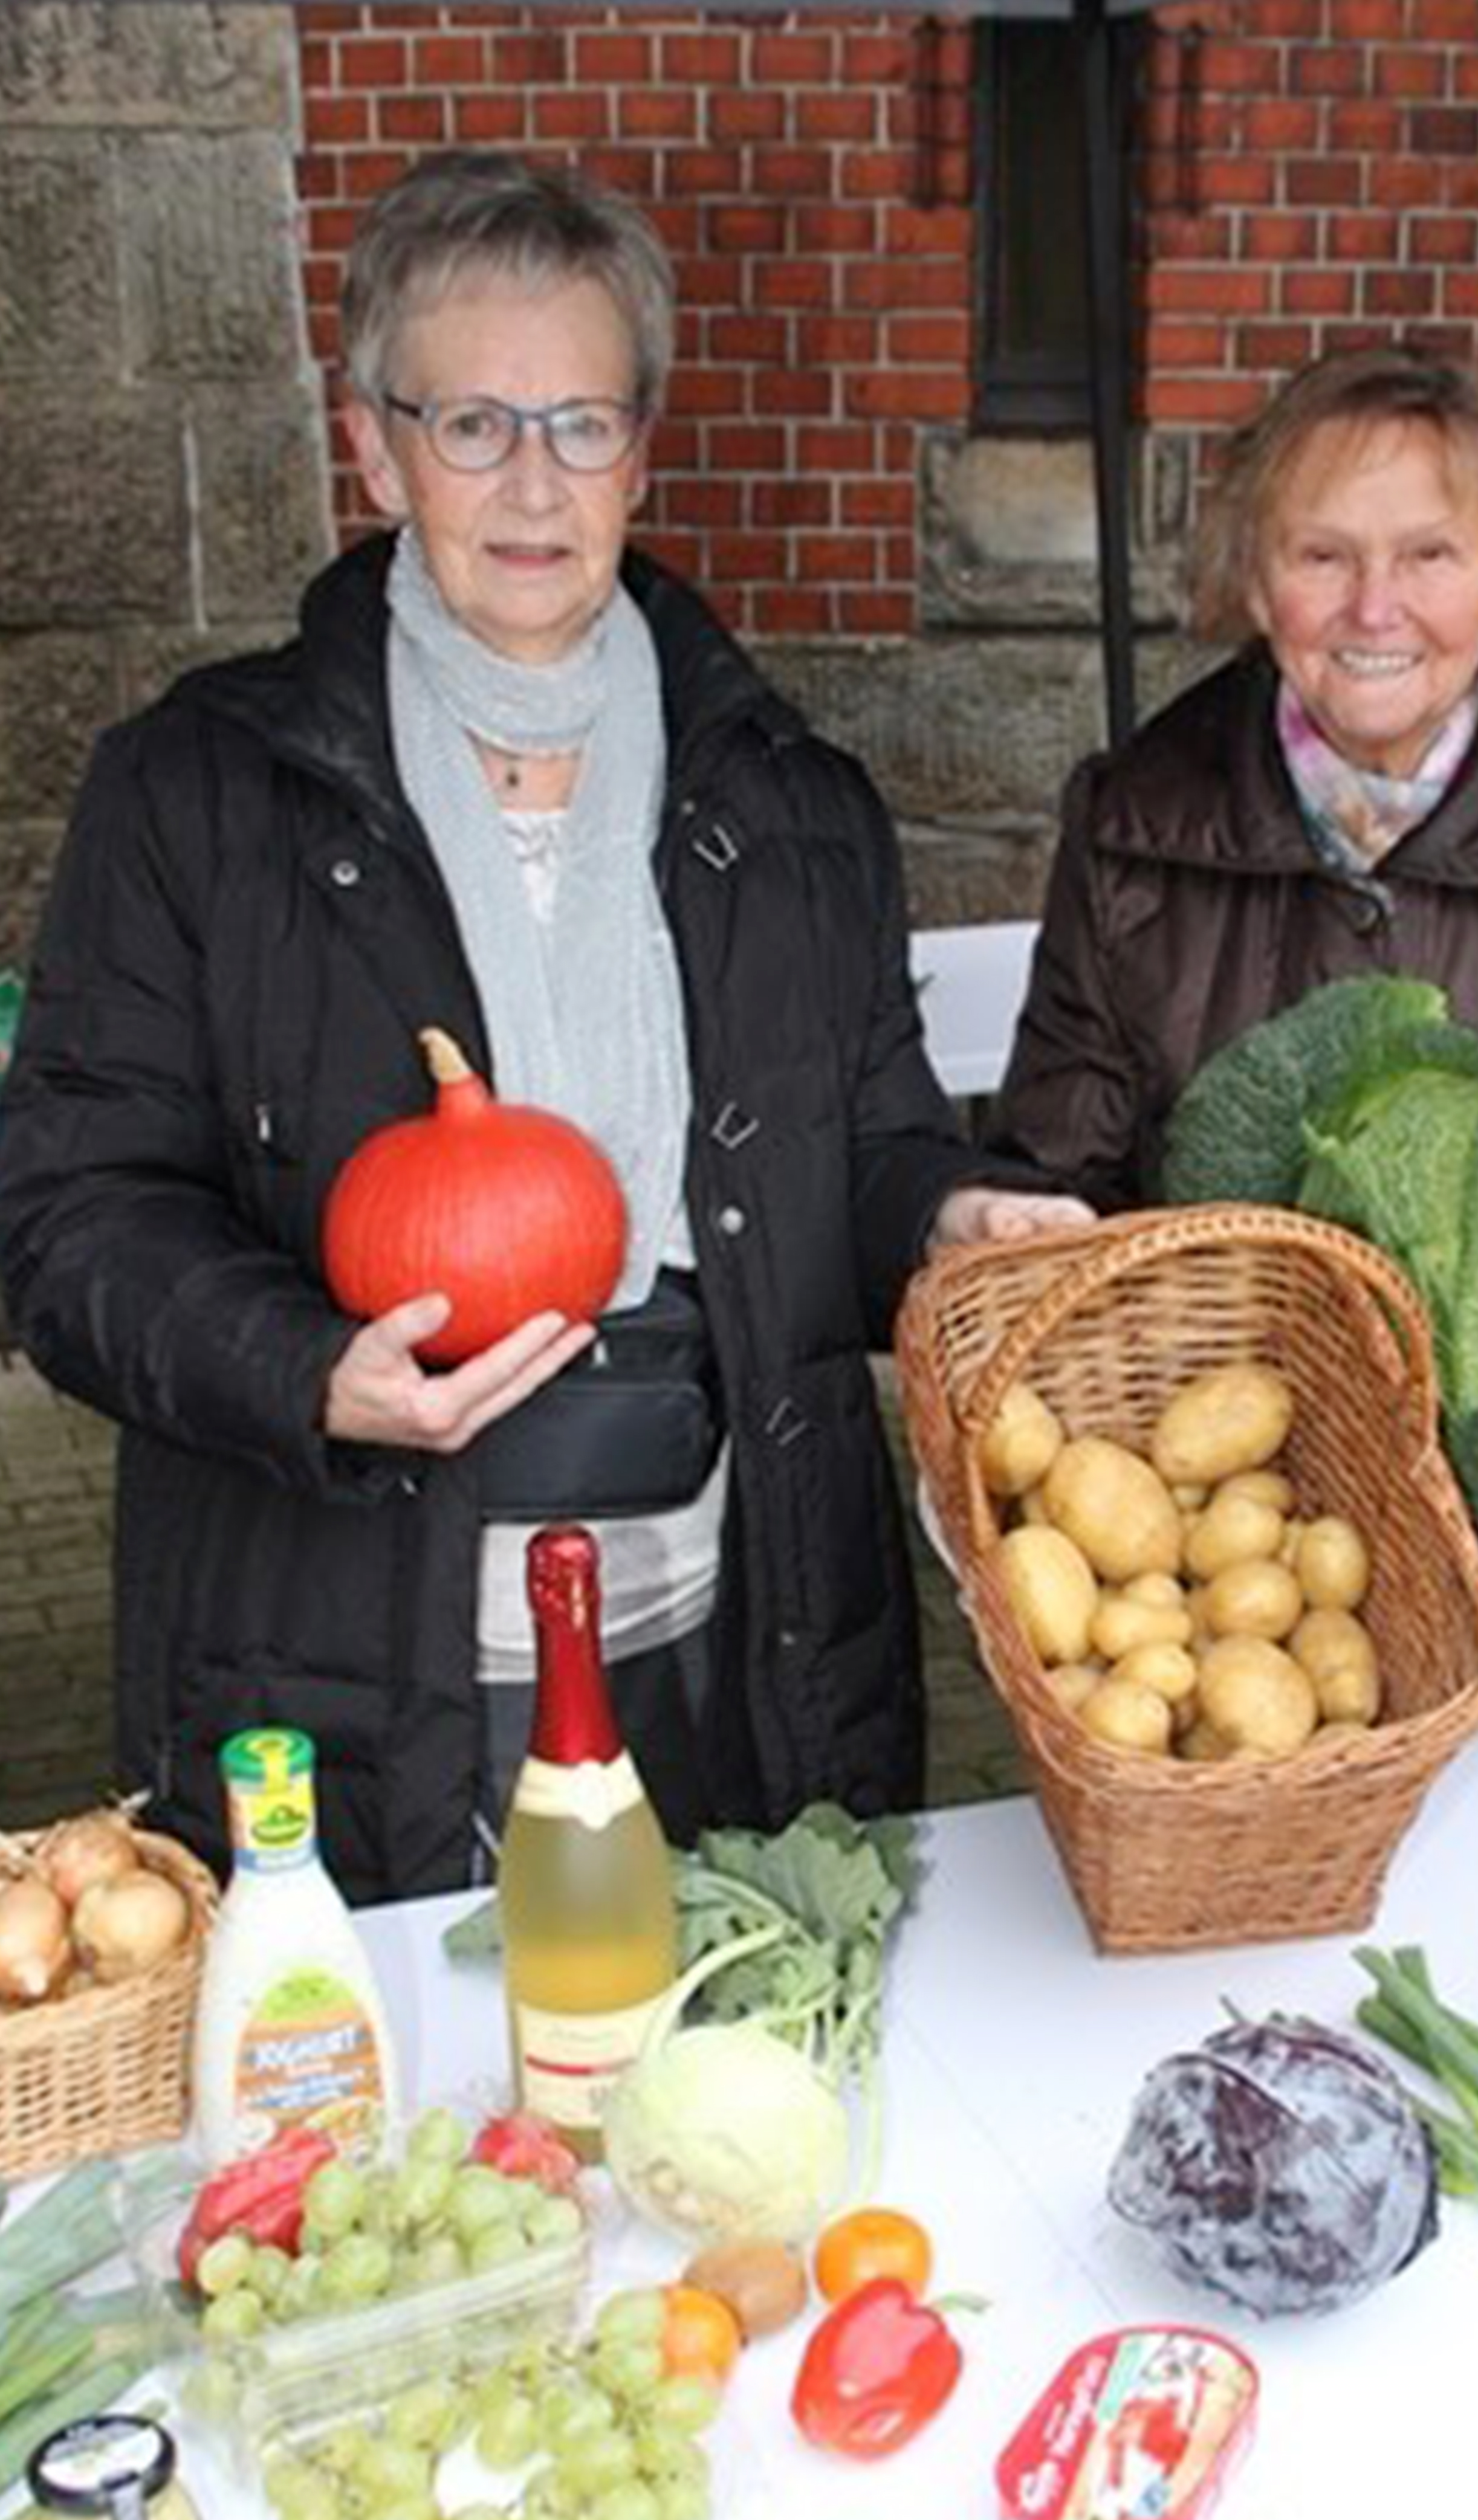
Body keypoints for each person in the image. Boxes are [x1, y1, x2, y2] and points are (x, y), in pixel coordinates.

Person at [0, 150, 1084, 1901]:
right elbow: (63, 1215)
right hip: (345, 1641)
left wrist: (950, 1212)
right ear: (375, 443)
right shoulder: (199, 790)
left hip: (739, 1639)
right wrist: (302, 1365)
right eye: (471, 423)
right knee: (413, 2151)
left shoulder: (793, 800)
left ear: (639, 449)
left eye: (580, 424)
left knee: (731, 2091)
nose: (531, 483)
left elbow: (870, 1145)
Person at [990, 344, 1478, 1710]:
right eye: (1322, 555)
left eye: (1430, 554)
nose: (1375, 608)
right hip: (1255, 1595)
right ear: (1253, 575)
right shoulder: (1130, 830)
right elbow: (1059, 1177)